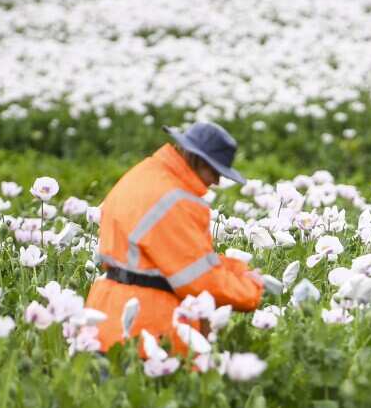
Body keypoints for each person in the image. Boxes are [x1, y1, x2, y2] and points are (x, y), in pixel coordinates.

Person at [87, 121, 263, 355]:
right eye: (215, 171)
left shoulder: (143, 174)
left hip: (105, 315)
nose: (217, 182)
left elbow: (169, 259)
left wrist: (236, 269)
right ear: (197, 159)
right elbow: (198, 280)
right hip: (148, 329)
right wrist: (250, 290)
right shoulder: (176, 200)